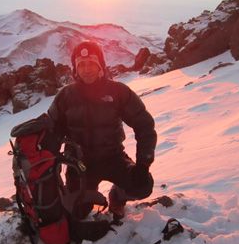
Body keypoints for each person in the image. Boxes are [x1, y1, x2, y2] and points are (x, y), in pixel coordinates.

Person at [47, 41, 157, 221]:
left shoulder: (118, 92)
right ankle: (82, 197)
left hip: (113, 157)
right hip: (79, 164)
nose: (87, 69)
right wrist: (48, 168)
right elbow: (51, 131)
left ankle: (117, 196)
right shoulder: (65, 96)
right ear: (75, 69)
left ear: (101, 66)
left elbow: (144, 124)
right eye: (81, 65)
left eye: (91, 63)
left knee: (142, 186)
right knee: (78, 212)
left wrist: (143, 164)